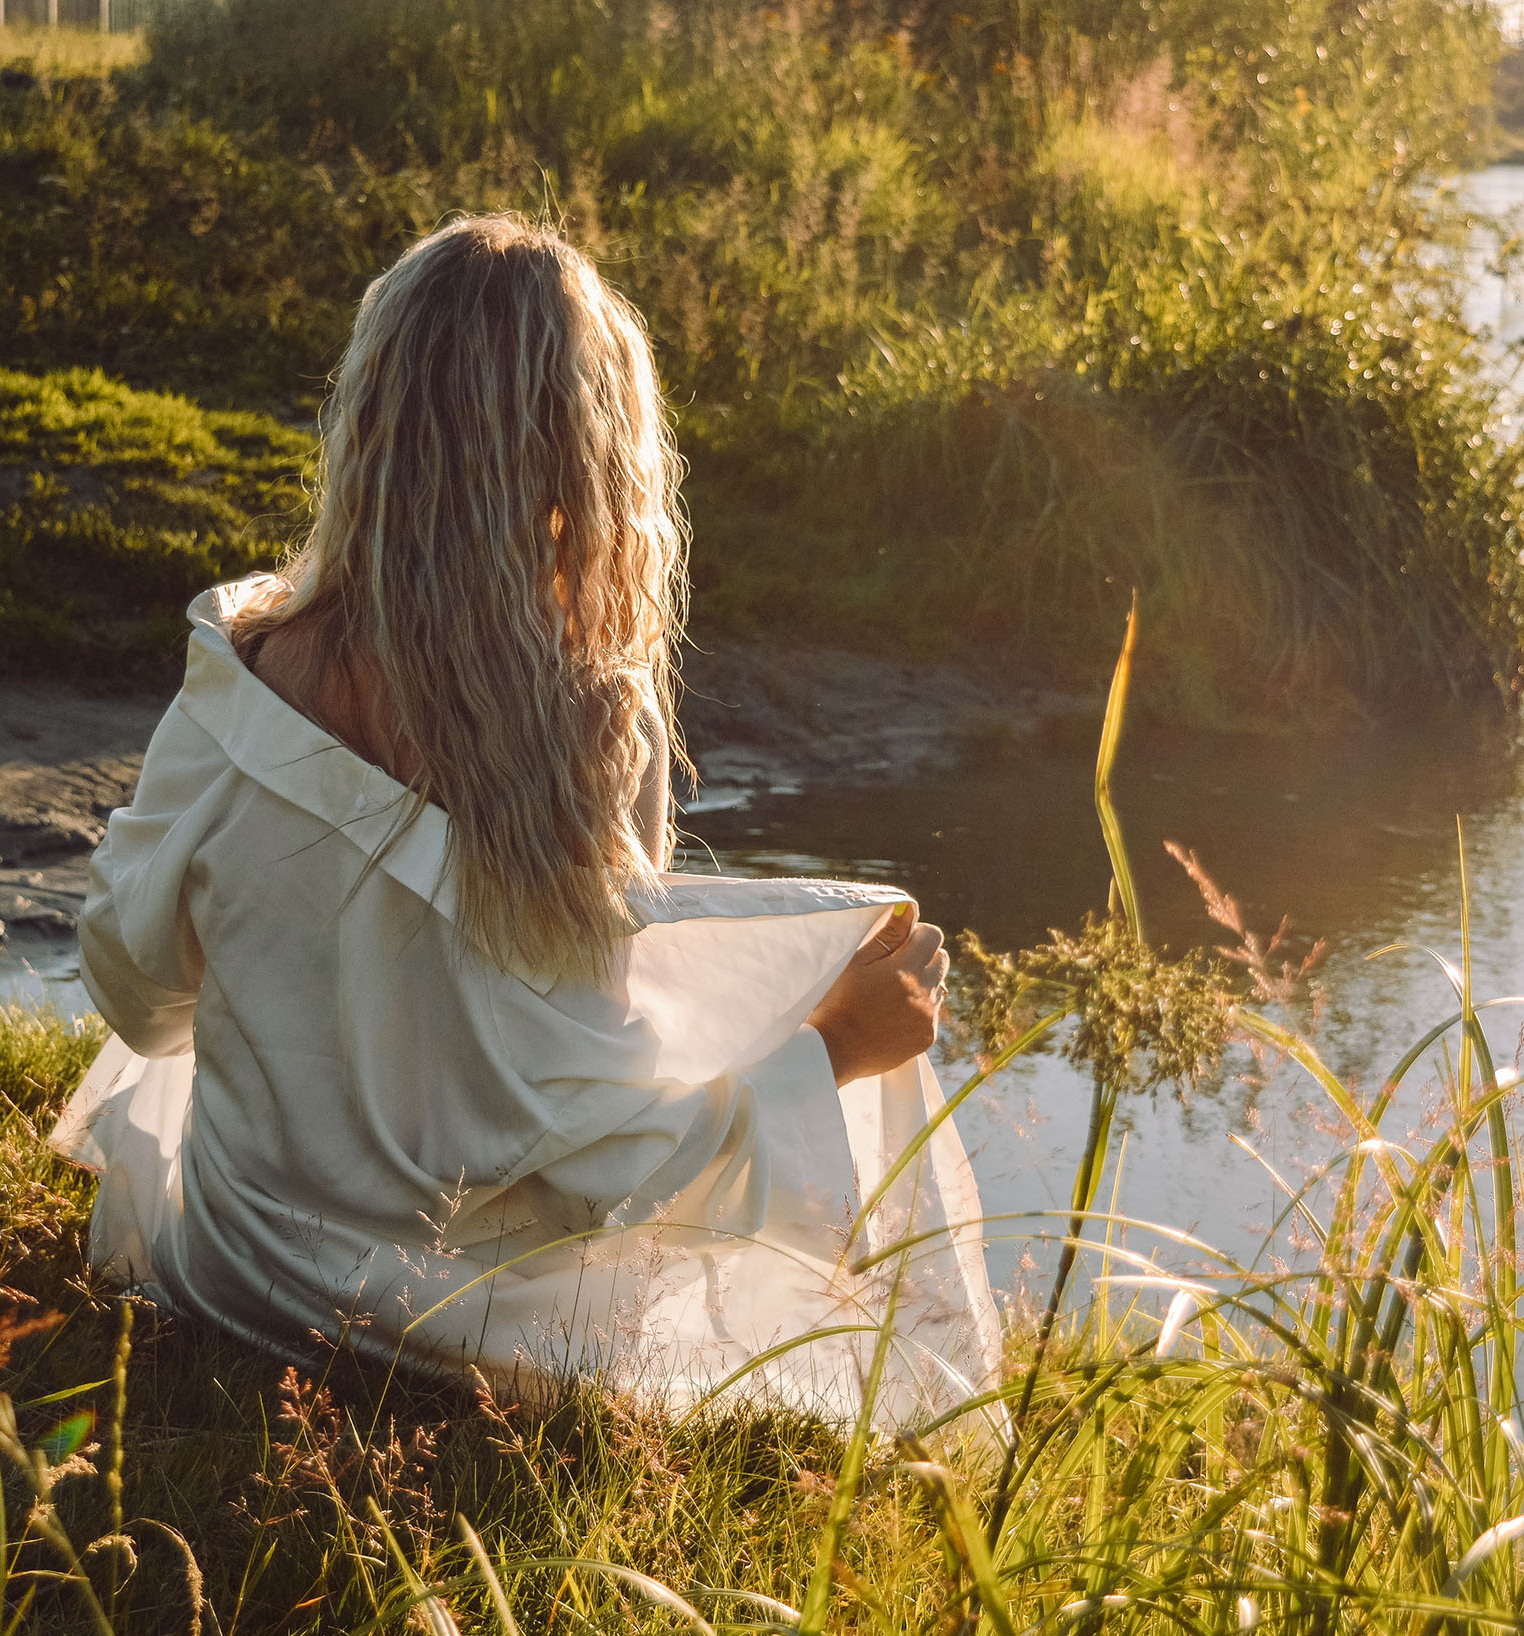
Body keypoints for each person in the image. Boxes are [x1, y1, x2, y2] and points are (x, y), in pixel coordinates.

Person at [48, 215, 999, 1427]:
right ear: (588, 458)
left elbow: (136, 999)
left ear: (372, 422)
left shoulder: (242, 677)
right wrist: (830, 1053)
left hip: (234, 1277)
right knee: (862, 1344)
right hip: (463, 1340)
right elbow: (578, 1149)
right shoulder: (591, 726)